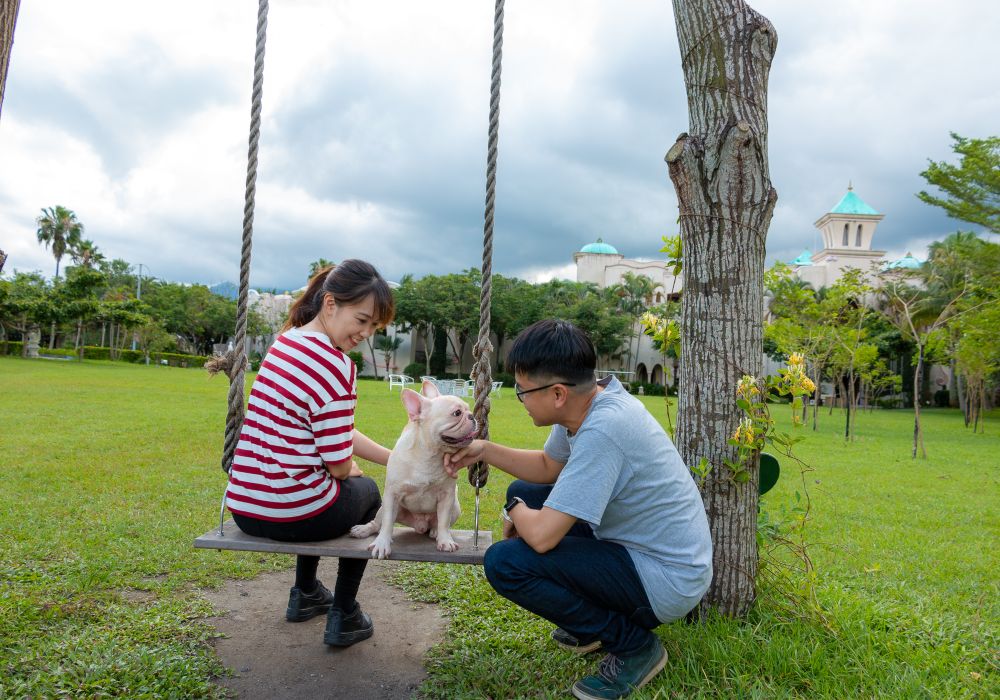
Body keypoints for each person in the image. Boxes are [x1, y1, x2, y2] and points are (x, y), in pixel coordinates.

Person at [444, 319, 712, 700]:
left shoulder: (603, 429)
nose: (520, 401)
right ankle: (590, 627)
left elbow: (540, 537)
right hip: (634, 548)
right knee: (528, 491)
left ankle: (634, 646)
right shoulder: (587, 402)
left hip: (666, 579)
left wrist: (514, 508)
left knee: (506, 562)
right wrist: (484, 449)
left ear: (556, 394)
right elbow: (548, 468)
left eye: (522, 392)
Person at [225, 259, 395, 647]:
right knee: (366, 492)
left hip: (246, 507)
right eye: (362, 320)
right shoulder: (336, 365)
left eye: (374, 327)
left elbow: (335, 432)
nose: (365, 334)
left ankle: (305, 594)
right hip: (294, 515)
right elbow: (337, 464)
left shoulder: (283, 343)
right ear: (331, 304)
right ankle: (346, 613)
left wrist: (392, 458)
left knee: (321, 488)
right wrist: (350, 469)